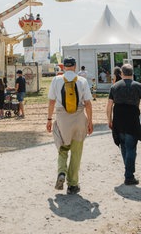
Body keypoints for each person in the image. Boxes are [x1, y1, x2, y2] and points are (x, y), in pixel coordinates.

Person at [46, 57, 93, 195]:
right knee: (76, 152)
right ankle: (73, 184)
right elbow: (88, 104)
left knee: (62, 147)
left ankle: (61, 172)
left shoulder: (56, 80)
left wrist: (49, 119)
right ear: (75, 66)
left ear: (64, 67)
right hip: (79, 118)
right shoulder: (82, 81)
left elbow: (51, 102)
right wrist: (90, 121)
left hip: (62, 118)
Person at [106, 63, 141, 185]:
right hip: (132, 120)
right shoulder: (138, 86)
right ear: (132, 74)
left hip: (118, 121)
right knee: (131, 147)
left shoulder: (114, 87)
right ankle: (129, 176)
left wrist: (109, 120)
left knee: (124, 145)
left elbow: (109, 105)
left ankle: (128, 171)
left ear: (121, 74)